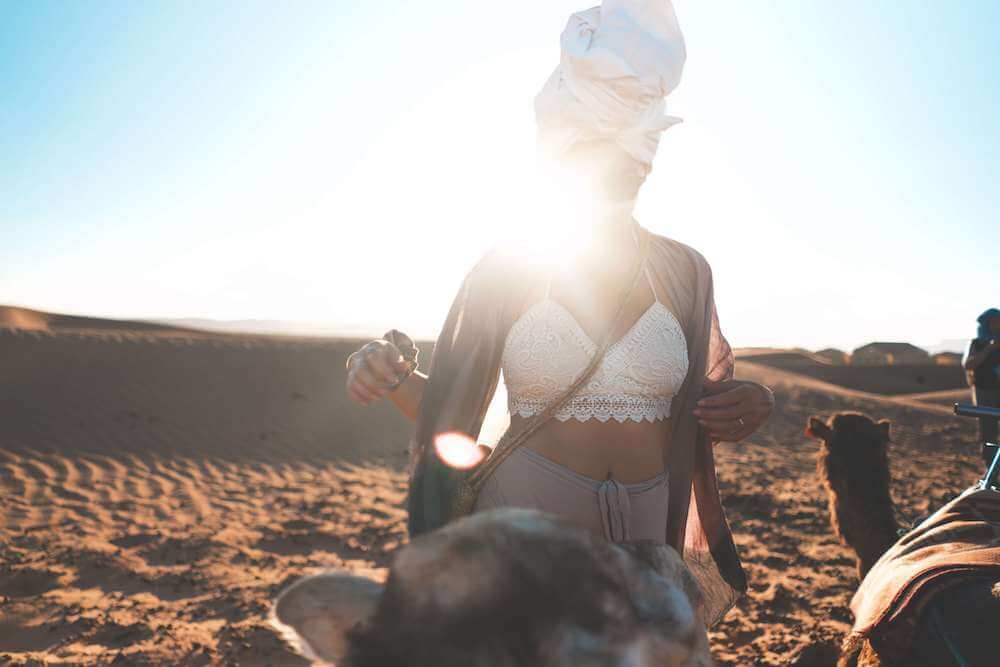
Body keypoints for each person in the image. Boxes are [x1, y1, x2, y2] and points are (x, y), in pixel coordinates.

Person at [345, 0, 774, 625]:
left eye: (631, 147)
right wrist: (387, 376)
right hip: (523, 525)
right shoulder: (512, 265)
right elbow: (458, 413)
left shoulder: (686, 271)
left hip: (652, 533)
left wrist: (754, 402)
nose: (618, 164)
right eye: (598, 146)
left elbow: (707, 404)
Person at [963, 308, 1000, 445]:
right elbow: (968, 365)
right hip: (985, 392)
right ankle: (990, 463)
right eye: (994, 322)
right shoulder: (977, 343)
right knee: (988, 431)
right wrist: (989, 348)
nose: (997, 325)